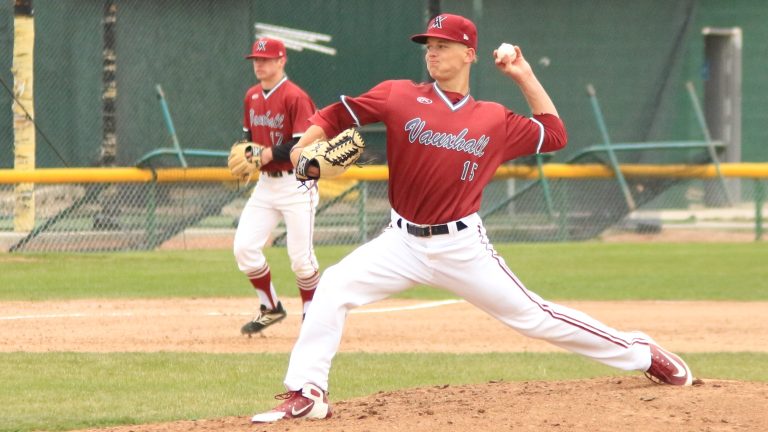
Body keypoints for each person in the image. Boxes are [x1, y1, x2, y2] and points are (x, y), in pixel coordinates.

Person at [251, 14, 693, 423]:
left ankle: (639, 351)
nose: (433, 51)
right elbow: (334, 115)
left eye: (444, 44)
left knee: (534, 317)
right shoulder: (398, 94)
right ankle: (309, 391)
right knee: (333, 286)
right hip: (400, 242)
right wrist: (299, 150)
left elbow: (555, 134)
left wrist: (523, 74)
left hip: (461, 245)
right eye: (429, 44)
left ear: (469, 54)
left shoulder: (492, 119)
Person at [233, 37, 320, 336]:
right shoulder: (251, 96)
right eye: (256, 60)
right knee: (244, 248)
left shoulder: (295, 97)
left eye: (266, 59)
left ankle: (313, 316)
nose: (259, 64)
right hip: (265, 186)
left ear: (281, 61)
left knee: (301, 259)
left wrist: (265, 154)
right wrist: (246, 156)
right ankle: (270, 307)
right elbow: (248, 139)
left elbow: (302, 144)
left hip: (297, 185)